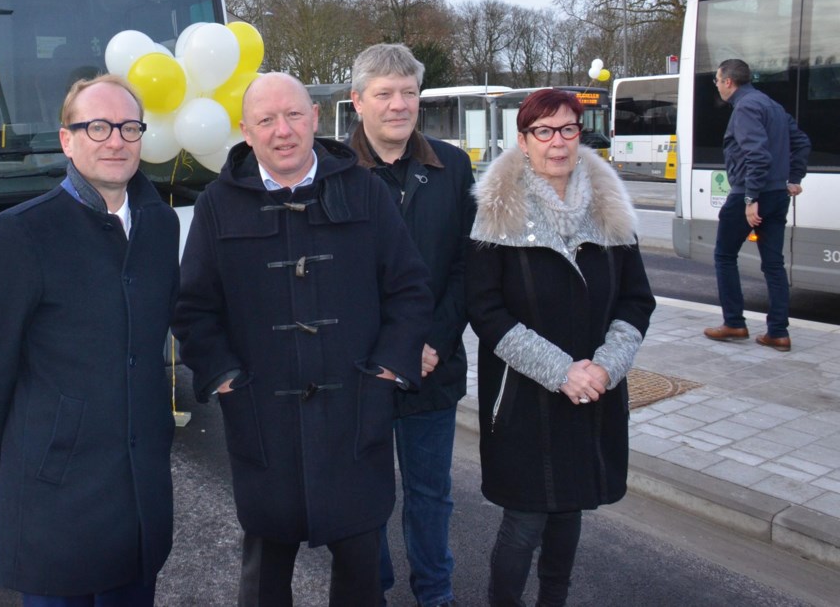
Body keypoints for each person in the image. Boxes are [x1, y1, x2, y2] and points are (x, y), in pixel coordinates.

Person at [172, 72, 433, 607]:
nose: (282, 131)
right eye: (266, 120)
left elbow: (409, 289)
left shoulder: (364, 189)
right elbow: (193, 307)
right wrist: (224, 378)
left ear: (316, 118)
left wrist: (387, 370)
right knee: (265, 573)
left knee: (361, 573)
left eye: (293, 115)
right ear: (246, 131)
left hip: (355, 413)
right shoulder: (218, 204)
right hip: (262, 418)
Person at [0, 74, 180, 607]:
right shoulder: (20, 235)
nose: (115, 140)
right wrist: (29, 457)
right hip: (57, 501)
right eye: (96, 126)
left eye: (128, 127)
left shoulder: (161, 226)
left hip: (139, 496)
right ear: (67, 140)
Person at [466, 88, 655, 607]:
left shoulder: (610, 210)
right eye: (544, 131)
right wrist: (560, 371)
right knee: (525, 521)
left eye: (568, 128)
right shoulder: (495, 213)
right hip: (524, 397)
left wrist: (605, 369)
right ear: (523, 141)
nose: (558, 142)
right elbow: (485, 311)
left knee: (570, 508)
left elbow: (637, 302)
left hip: (591, 392)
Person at [347, 44, 475, 607]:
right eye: (384, 94)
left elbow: (470, 266)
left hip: (432, 365)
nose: (399, 105)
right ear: (357, 102)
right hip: (362, 368)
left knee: (430, 493)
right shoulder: (331, 172)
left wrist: (432, 342)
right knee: (363, 496)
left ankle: (435, 593)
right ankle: (369, 590)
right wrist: (388, 349)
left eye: (408, 92)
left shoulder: (454, 167)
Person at [703, 59, 811, 352]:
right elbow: (801, 141)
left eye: (716, 79)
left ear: (728, 82)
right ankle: (778, 332)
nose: (716, 84)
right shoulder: (771, 105)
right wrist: (792, 177)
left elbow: (757, 155)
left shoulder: (746, 108)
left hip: (749, 196)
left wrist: (751, 198)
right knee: (774, 264)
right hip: (777, 194)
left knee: (724, 255)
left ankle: (734, 323)